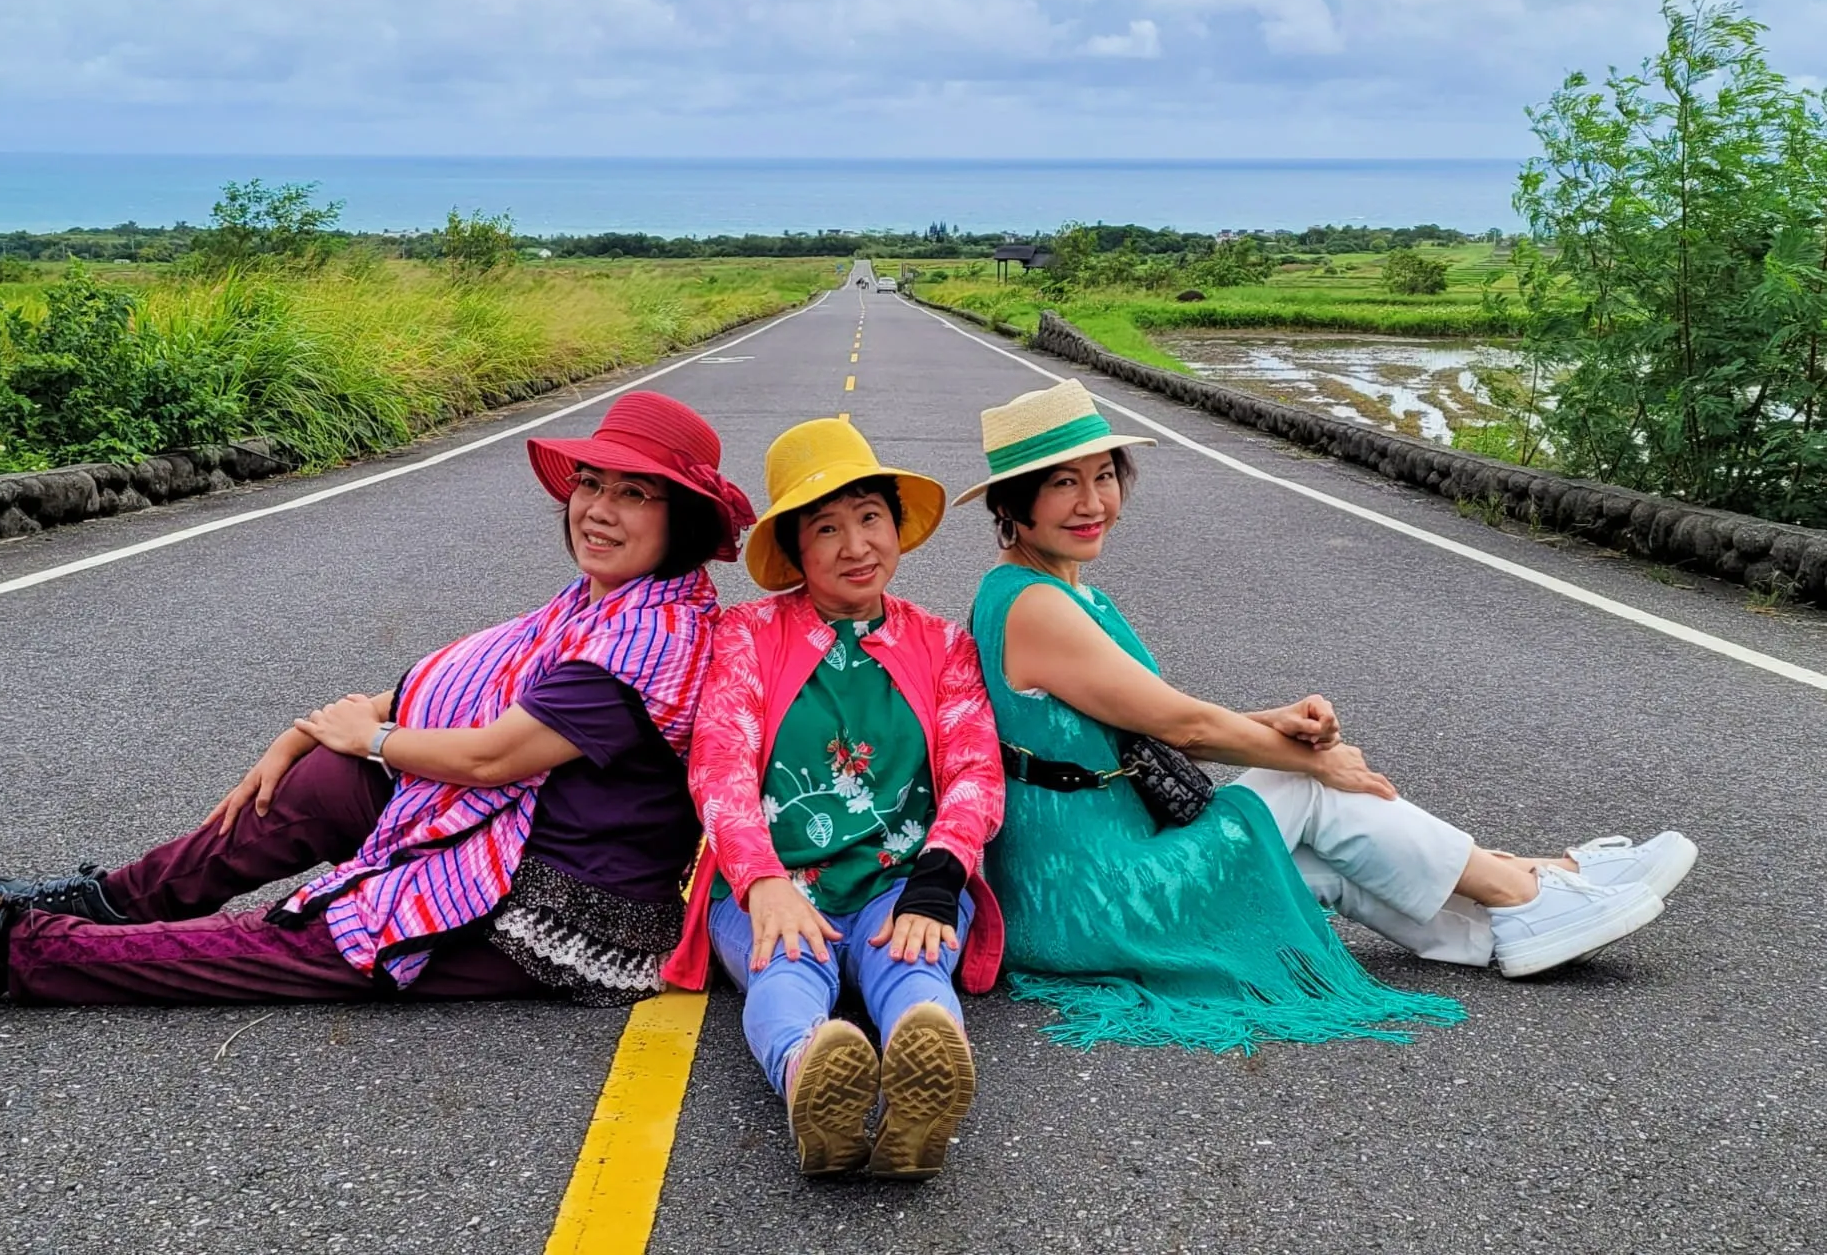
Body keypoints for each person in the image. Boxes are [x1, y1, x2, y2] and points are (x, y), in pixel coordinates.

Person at [0, 391, 756, 1009]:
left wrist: (366, 737)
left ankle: (15, 951)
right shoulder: (599, 604)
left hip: (563, 913)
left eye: (633, 494)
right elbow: (448, 685)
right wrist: (307, 735)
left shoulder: (654, 636)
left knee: (313, 941)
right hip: (508, 835)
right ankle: (99, 901)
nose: (598, 510)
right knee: (329, 783)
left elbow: (492, 755)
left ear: (679, 520)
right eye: (591, 485)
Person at [959, 381, 1696, 1053]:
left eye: (1104, 476)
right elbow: (1185, 729)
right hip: (1090, 897)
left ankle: (1506, 927)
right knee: (1308, 788)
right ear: (1011, 505)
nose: (1093, 502)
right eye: (1064, 483)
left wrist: (1271, 722)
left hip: (1093, 880)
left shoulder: (1065, 592)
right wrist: (1314, 760)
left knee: (1319, 861)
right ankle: (1529, 888)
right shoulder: (1034, 607)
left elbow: (1140, 727)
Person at [662, 418, 1005, 1180]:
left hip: (903, 880)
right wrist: (764, 884)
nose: (856, 546)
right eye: (826, 528)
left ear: (896, 526)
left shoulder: (944, 645)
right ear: (795, 551)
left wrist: (936, 884)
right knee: (785, 970)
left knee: (915, 969)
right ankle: (809, 1077)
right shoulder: (748, 634)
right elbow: (720, 765)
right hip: (777, 883)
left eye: (870, 518)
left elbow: (975, 772)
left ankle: (925, 1086)